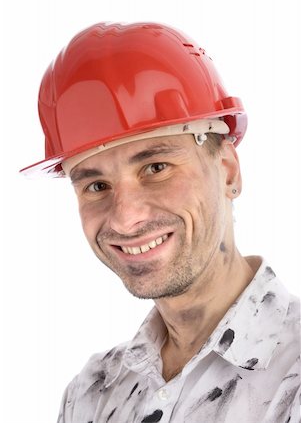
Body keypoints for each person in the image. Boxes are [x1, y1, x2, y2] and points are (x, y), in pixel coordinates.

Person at [21, 22, 300, 423]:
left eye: (156, 167)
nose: (126, 216)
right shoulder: (91, 395)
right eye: (97, 185)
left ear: (227, 172)